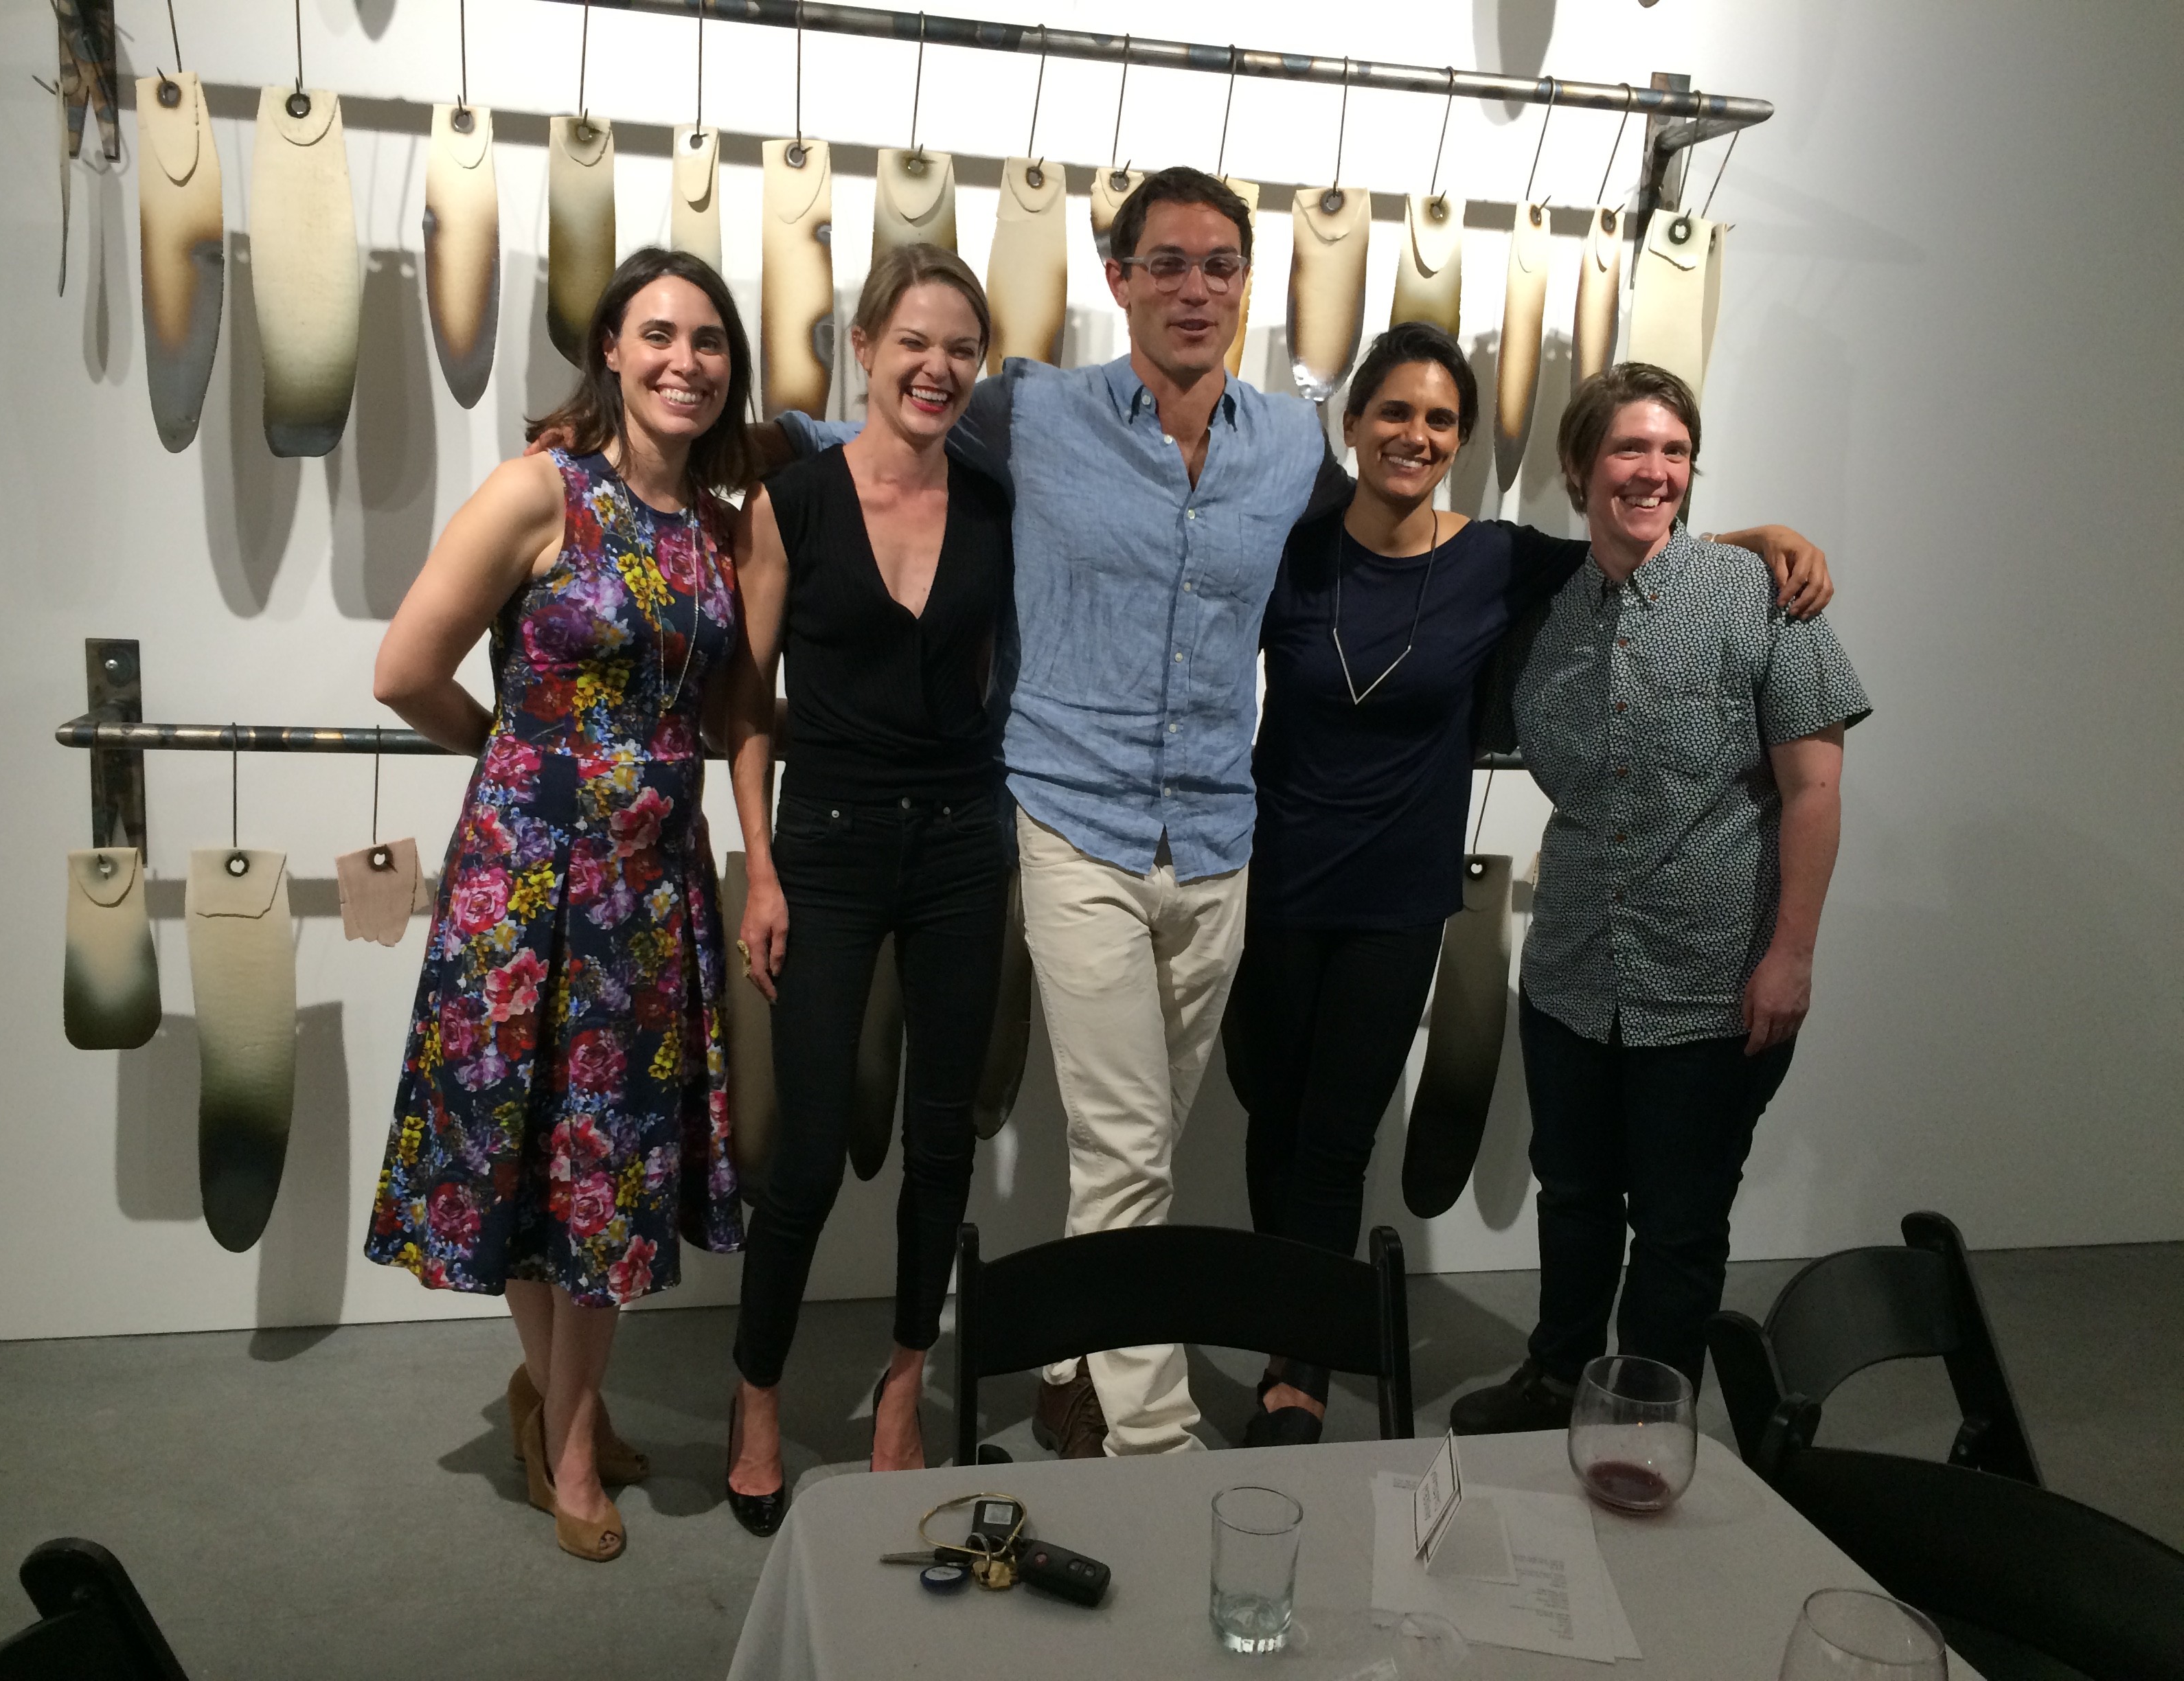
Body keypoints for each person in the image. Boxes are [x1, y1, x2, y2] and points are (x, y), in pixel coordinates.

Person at [773, 168, 1828, 1458]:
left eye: (1219, 264)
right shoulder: (1035, 410)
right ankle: (1150, 1442)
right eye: (1166, 262)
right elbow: (880, 429)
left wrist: (1741, 536)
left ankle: (1078, 1365)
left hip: (1219, 839)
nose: (1194, 287)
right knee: (1123, 1136)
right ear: (1118, 278)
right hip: (1072, 816)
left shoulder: (1286, 449)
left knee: (1141, 1136)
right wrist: (711, 446)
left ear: (1247, 284)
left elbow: (1504, 536)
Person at [1221, 326, 1833, 1446]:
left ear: (1462, 440)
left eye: (1441, 419)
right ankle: (1304, 1328)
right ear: (1351, 425)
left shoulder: (1499, 560)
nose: (1416, 434)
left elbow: (1643, 547)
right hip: (1276, 885)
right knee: (1274, 1117)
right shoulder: (1288, 552)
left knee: (1339, 1138)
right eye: (1394, 412)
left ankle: (1303, 1367)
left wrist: (1767, 539)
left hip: (1401, 901)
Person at [363, 248, 754, 1560]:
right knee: (532, 1154)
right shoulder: (540, 490)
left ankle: (560, 1400)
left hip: (652, 890)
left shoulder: (717, 525)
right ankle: (573, 1435)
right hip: (526, 881)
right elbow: (405, 666)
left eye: (708, 341)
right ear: (609, 346)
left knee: (607, 1166)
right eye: (659, 335)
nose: (684, 361)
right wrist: (523, 757)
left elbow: (723, 702)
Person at [1449, 363, 1869, 1434]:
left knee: (1681, 1221)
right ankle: (1556, 1377)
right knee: (1576, 1197)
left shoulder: (1766, 598)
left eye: (1673, 452)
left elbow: (1814, 789)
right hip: (1575, 971)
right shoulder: (1542, 618)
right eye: (1630, 450)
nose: (1652, 472)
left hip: (1715, 974)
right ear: (1580, 467)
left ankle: (1648, 1409)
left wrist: (1792, 955)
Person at [720, 246, 1013, 1534]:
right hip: (827, 845)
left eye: (961, 349)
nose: (937, 368)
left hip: (962, 843)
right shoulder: (794, 500)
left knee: (943, 1137)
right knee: (807, 1149)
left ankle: (905, 1381)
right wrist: (762, 868)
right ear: (864, 348)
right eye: (915, 343)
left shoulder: (999, 506)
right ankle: (759, 1398)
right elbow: (744, 702)